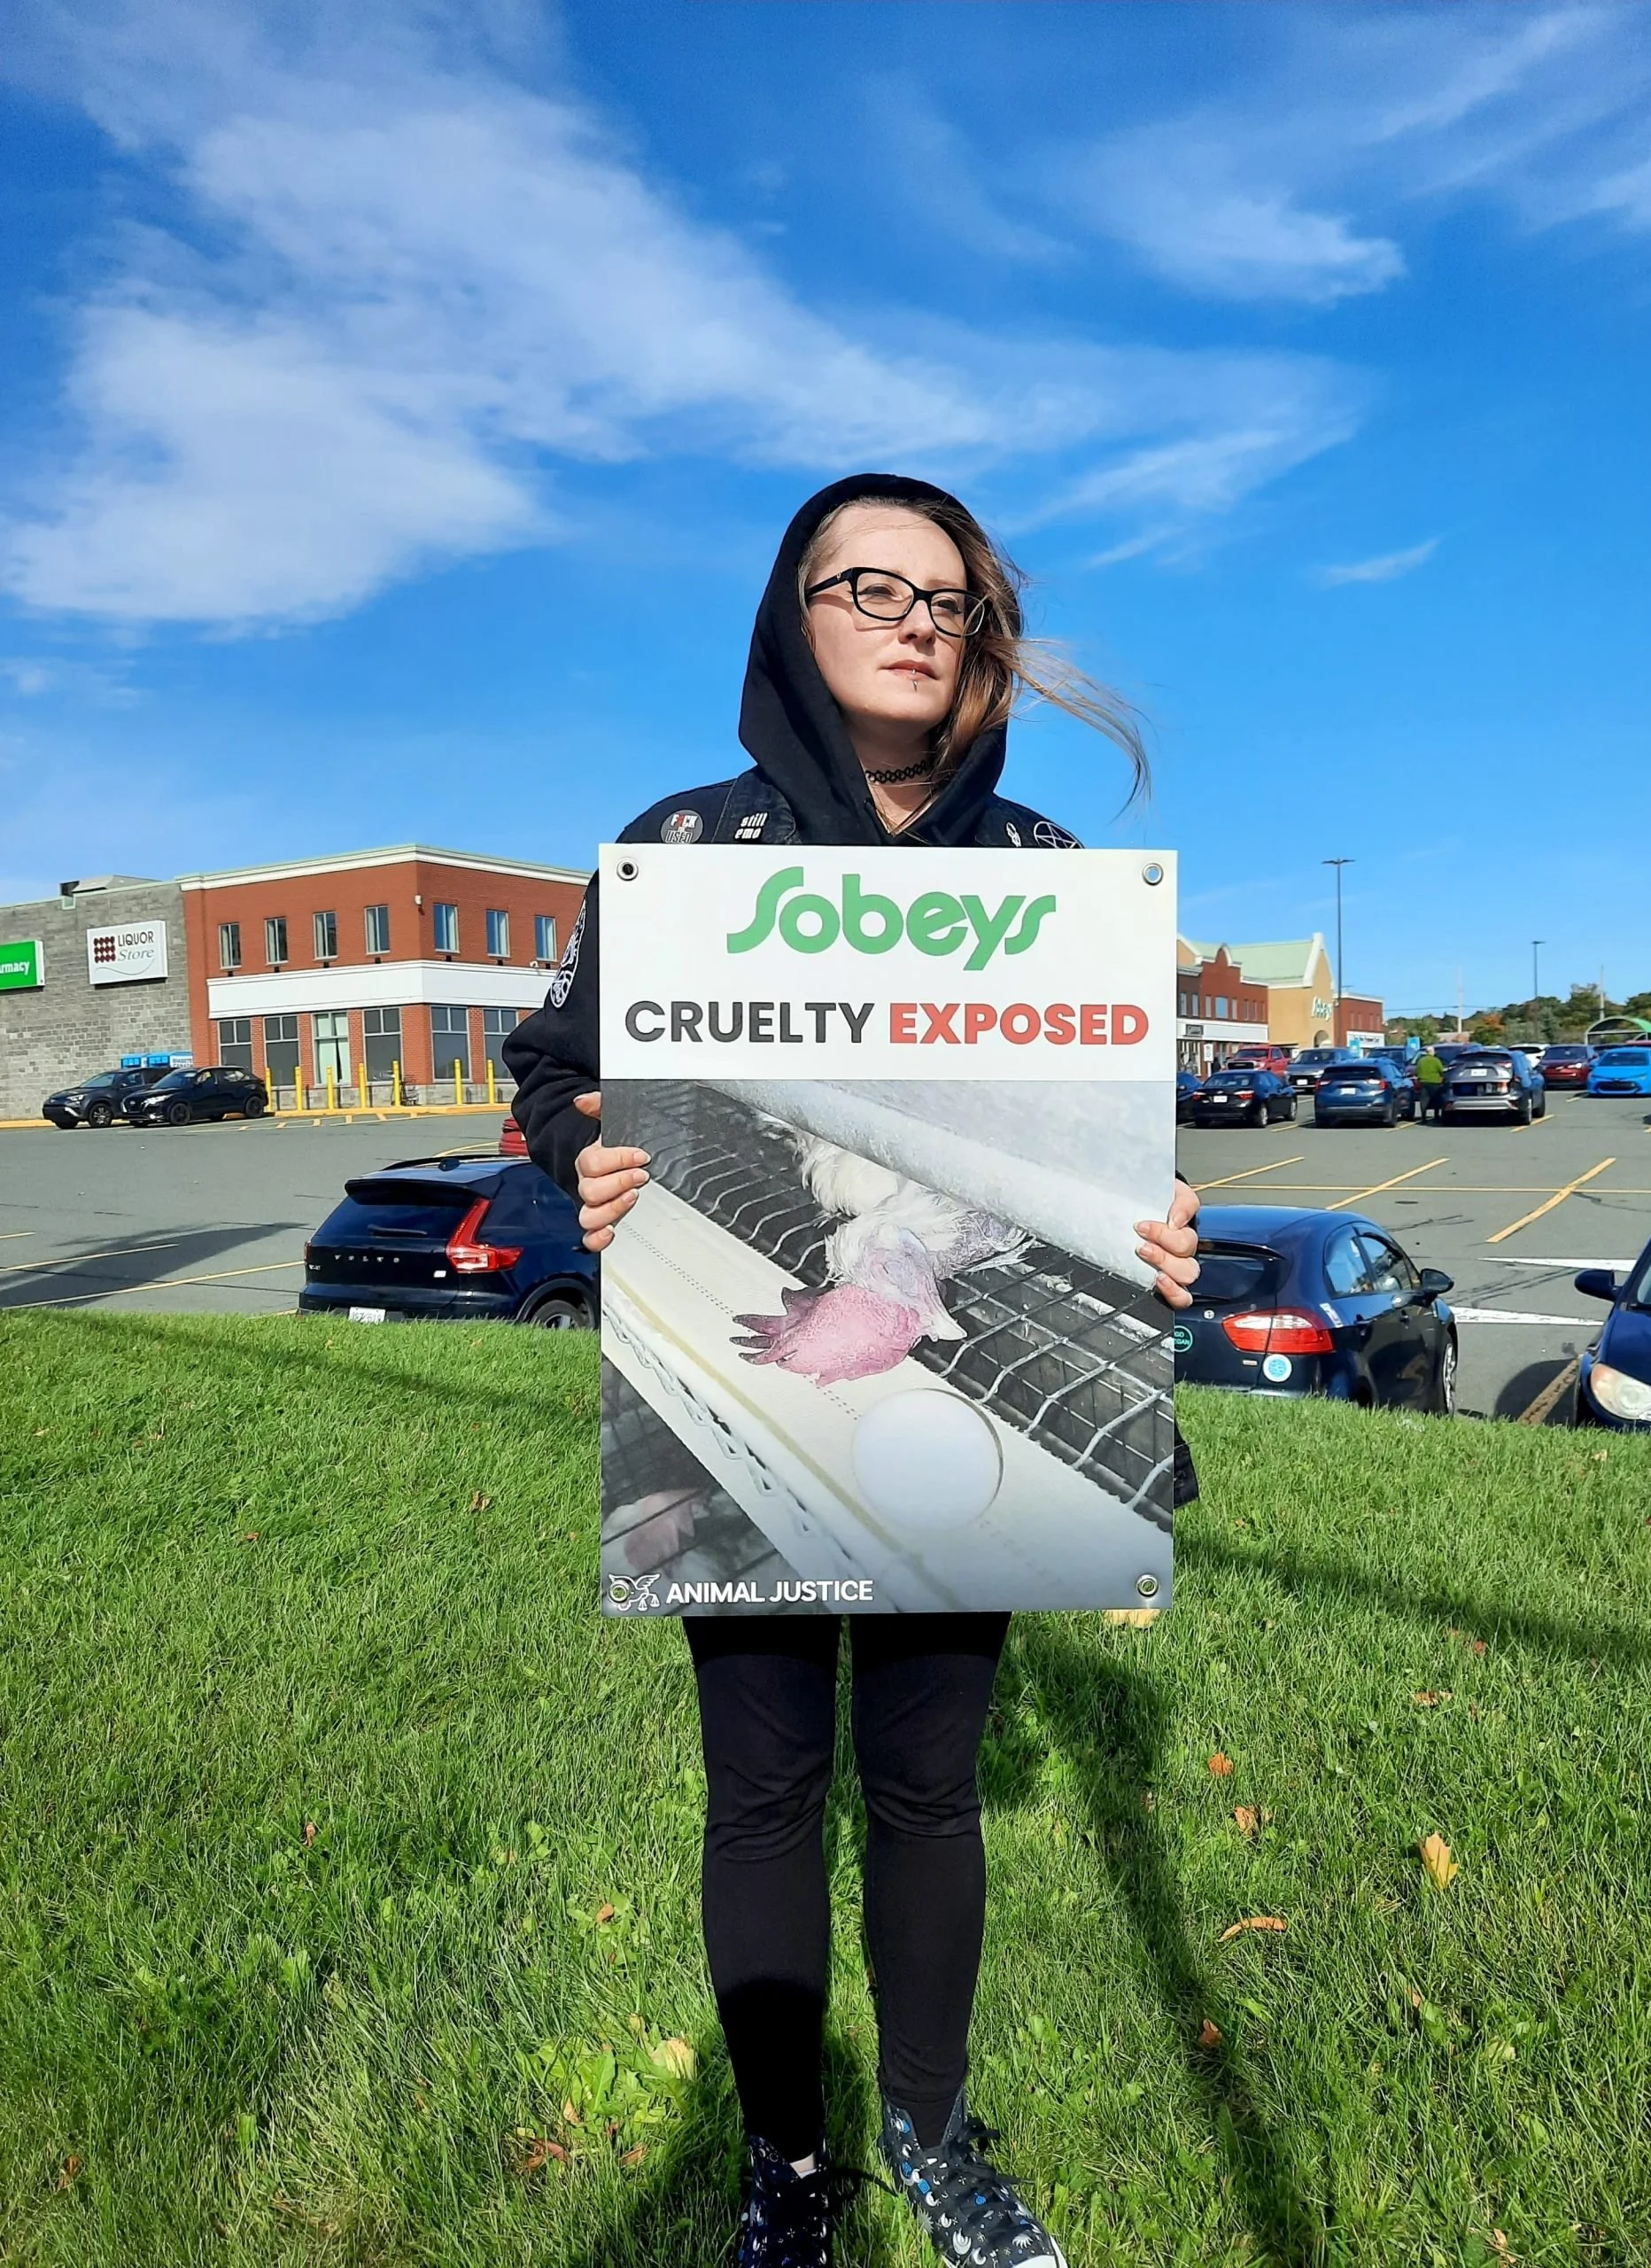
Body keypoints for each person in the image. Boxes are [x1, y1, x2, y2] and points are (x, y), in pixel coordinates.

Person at [506, 473, 1201, 2268]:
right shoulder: (683, 846)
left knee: (924, 1785)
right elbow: (550, 1062)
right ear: (789, 612)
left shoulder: (1046, 876)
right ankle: (788, 2158)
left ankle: (932, 2131)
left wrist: (1148, 1229)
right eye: (866, 584)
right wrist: (574, 1151)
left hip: (940, 1348)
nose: (912, 619)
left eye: (948, 596)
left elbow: (1091, 1143)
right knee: (759, 1784)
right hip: (732, 1334)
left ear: (983, 635)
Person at [1415, 1044, 1446, 1121]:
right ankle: (1436, 1115)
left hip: (1423, 1082)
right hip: (1435, 1082)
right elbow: (1441, 1071)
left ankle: (1423, 1116)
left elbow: (1417, 1071)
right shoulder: (1436, 1060)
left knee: (1424, 1100)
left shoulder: (1421, 1061)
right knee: (1436, 1099)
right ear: (1432, 1052)